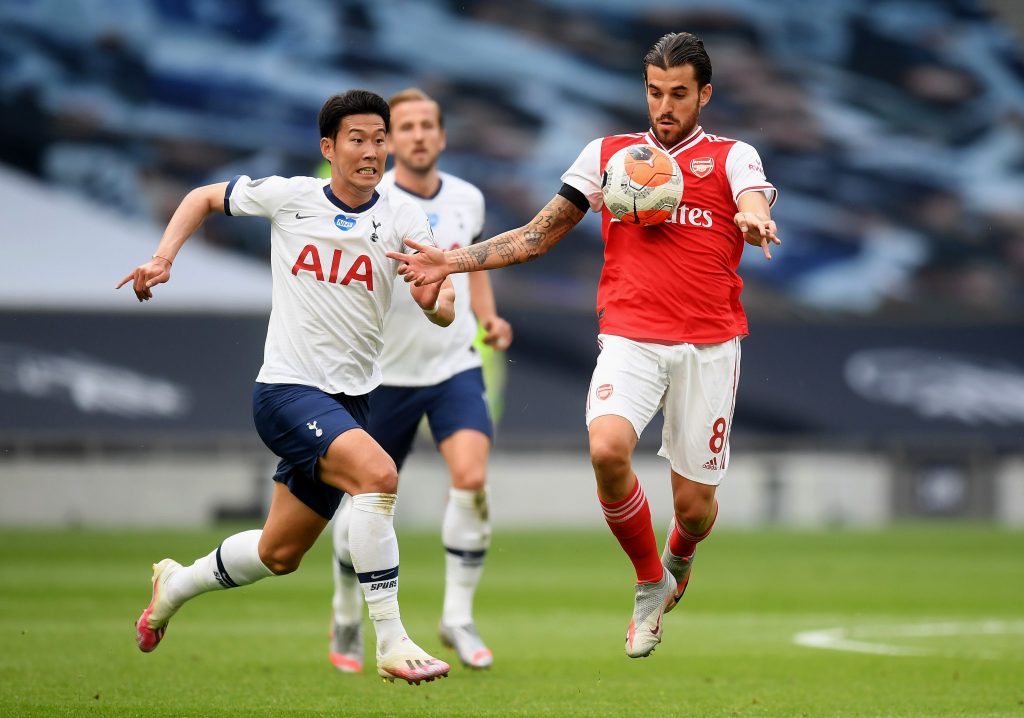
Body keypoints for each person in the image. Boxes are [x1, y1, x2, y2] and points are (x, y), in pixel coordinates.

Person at [388, 32, 780, 659]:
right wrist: (452, 262)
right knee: (606, 449)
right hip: (630, 337)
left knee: (696, 509)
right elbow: (538, 234)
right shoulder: (610, 156)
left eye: (679, 94)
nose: (665, 107)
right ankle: (650, 581)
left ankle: (679, 553)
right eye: (655, 92)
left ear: (705, 94)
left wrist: (756, 217)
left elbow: (754, 198)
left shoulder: (733, 157)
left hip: (710, 346)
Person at [116, 89, 458, 685]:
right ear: (328, 148)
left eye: (380, 139)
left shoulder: (402, 217)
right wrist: (163, 256)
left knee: (280, 554)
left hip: (349, 403)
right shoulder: (290, 198)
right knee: (378, 477)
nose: (371, 150)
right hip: (284, 392)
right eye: (357, 138)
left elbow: (443, 299)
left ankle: (177, 583)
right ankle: (393, 641)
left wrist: (435, 301)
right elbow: (201, 195)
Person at [329, 88, 513, 673]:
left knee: (471, 476)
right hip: (383, 376)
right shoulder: (369, 201)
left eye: (426, 125)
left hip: (453, 364)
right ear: (390, 138)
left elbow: (472, 263)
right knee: (367, 503)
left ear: (440, 135)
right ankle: (344, 609)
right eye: (403, 126)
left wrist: (485, 317)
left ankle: (456, 616)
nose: (416, 135)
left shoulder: (467, 199)